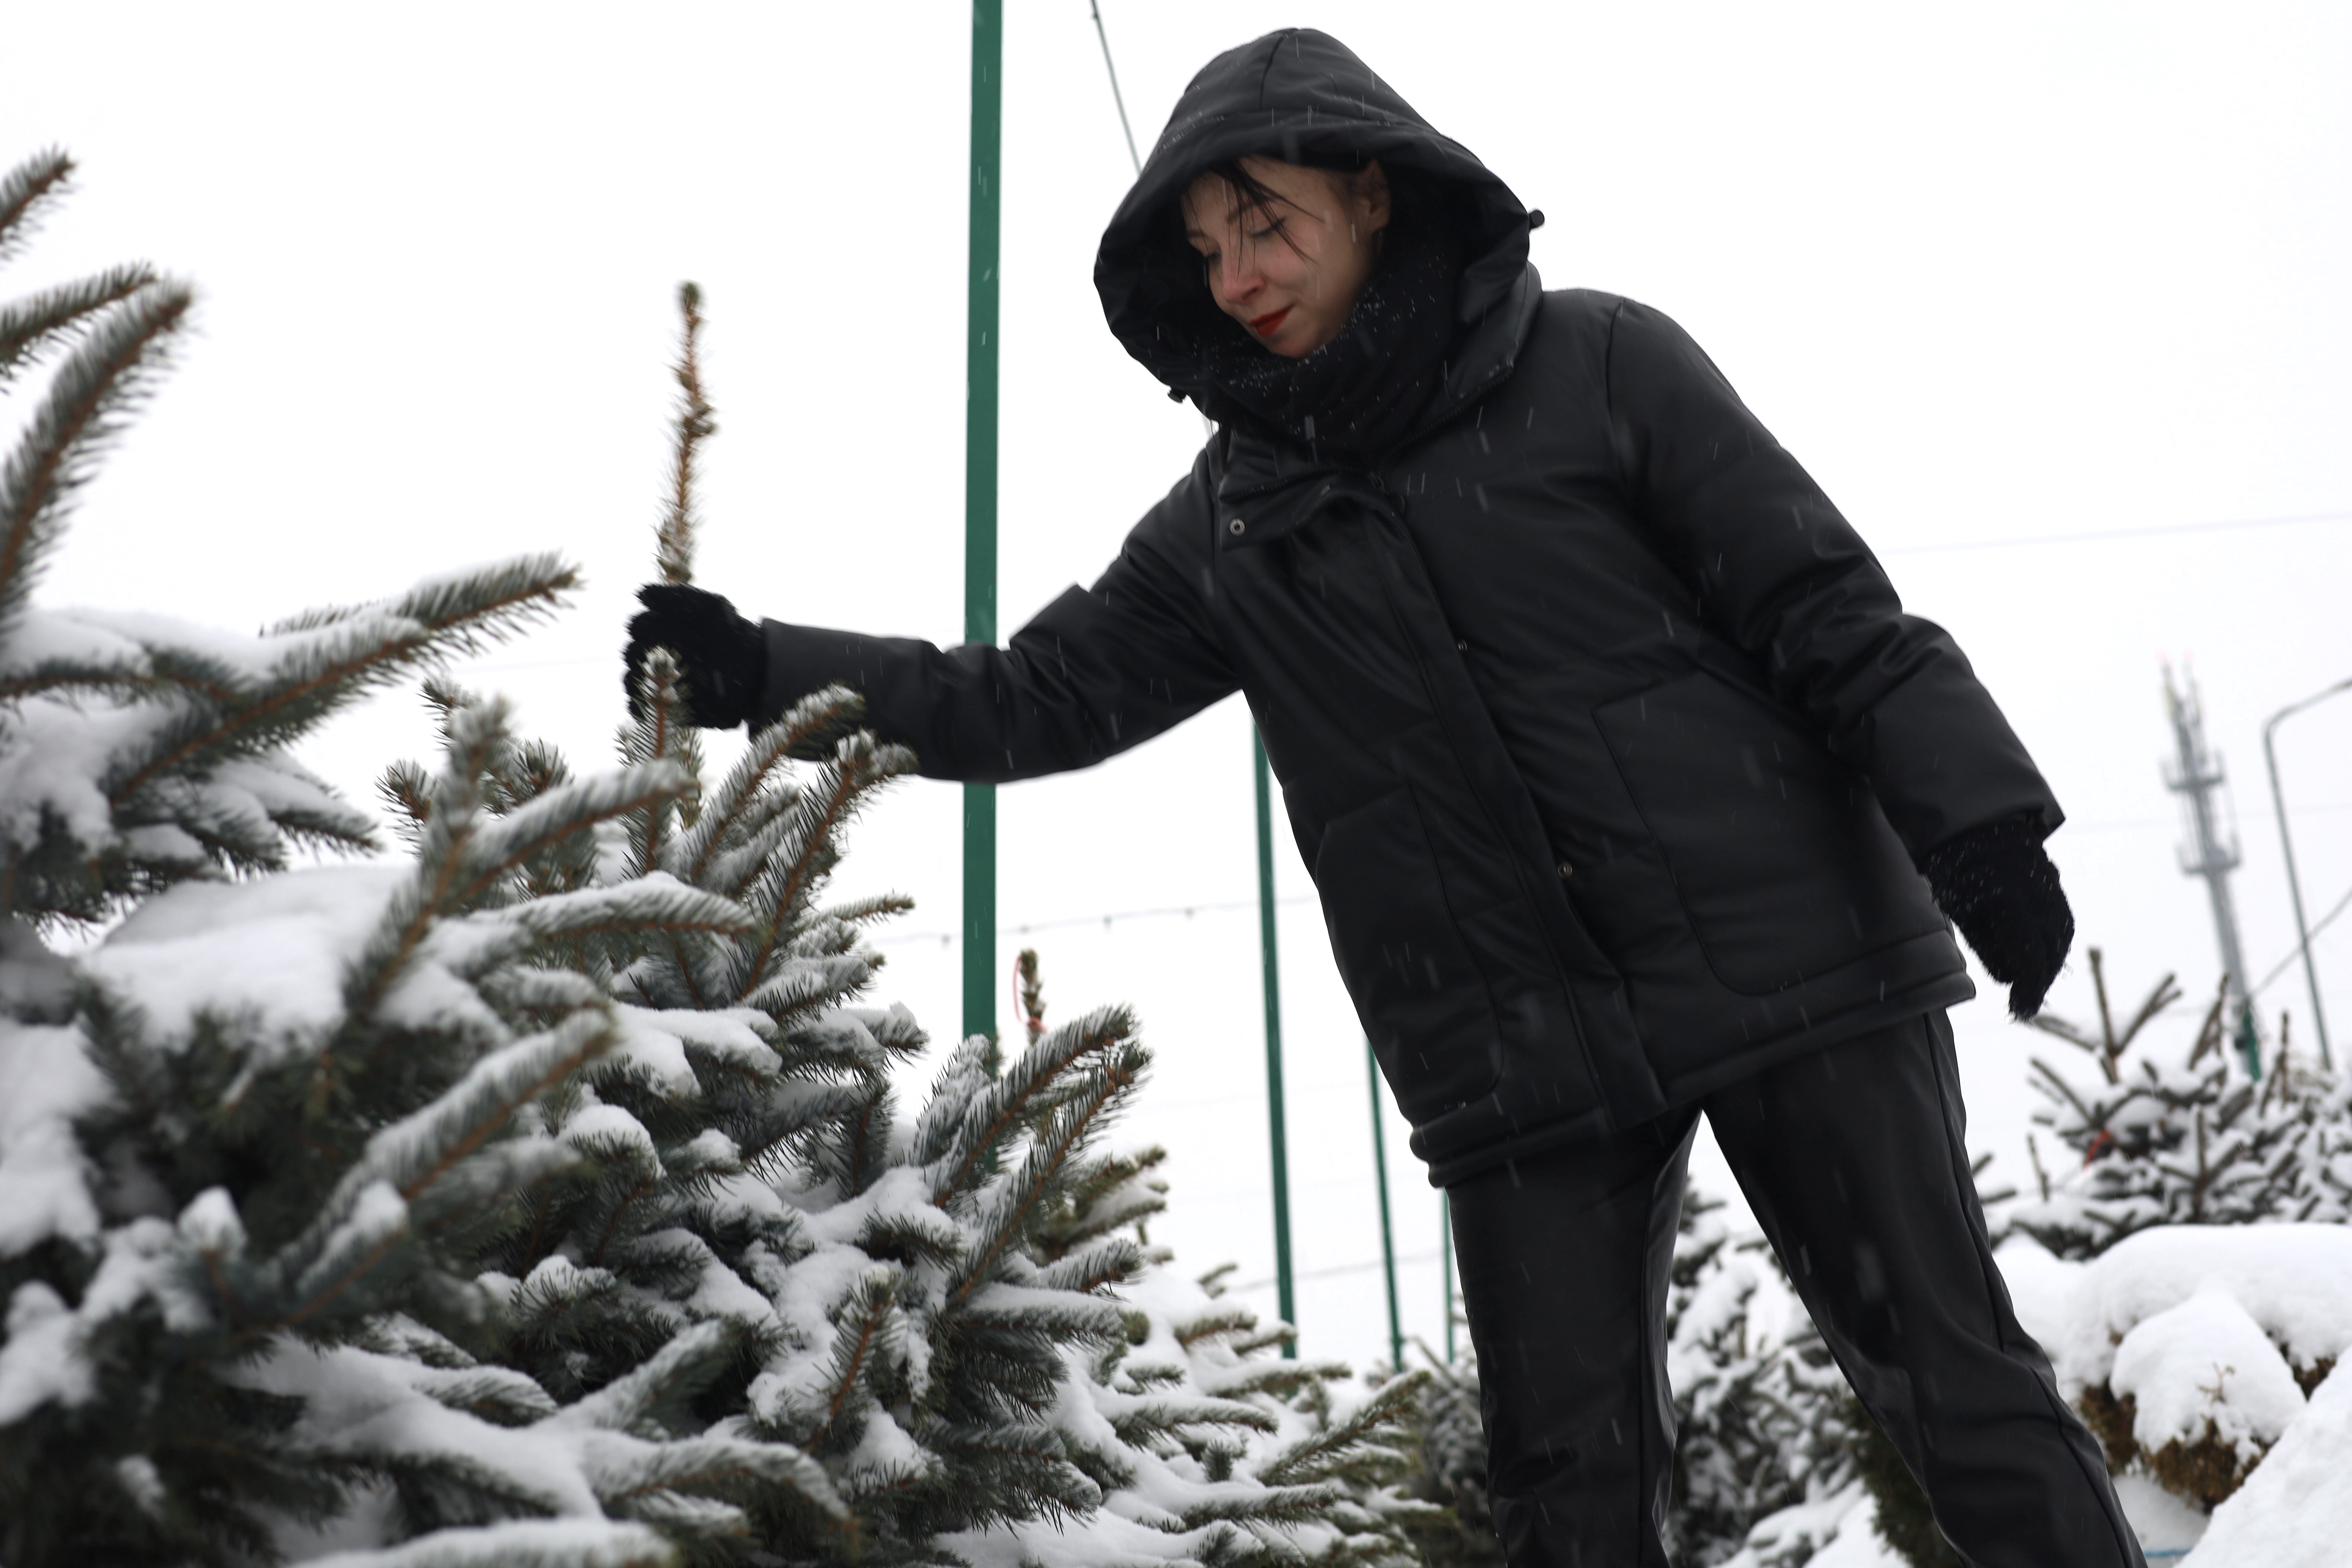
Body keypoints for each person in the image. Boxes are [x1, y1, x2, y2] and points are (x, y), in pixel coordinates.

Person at [624, 28, 2144, 1568]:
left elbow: (1822, 606)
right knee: (1566, 1498)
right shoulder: (1230, 524)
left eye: (1264, 222)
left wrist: (1979, 826)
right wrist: (765, 668)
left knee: (1956, 1387)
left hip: (1790, 963)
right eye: (1207, 248)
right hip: (1518, 1052)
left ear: (1371, 193)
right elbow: (1032, 695)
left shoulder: (1601, 364)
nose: (1236, 277)